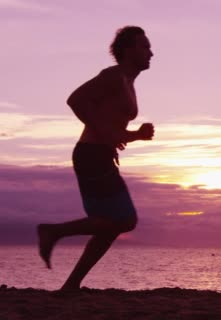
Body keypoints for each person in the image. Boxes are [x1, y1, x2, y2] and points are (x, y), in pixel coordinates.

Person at [36, 26, 155, 290]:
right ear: (128, 50)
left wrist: (136, 135)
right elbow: (75, 100)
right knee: (124, 221)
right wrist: (106, 133)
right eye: (144, 46)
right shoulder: (113, 76)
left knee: (110, 227)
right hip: (91, 154)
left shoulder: (128, 83)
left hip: (99, 154)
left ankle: (71, 286)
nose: (151, 53)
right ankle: (52, 232)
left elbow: (112, 131)